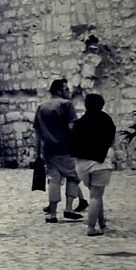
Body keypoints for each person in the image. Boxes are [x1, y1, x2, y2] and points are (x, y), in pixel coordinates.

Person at [33, 78, 82, 221]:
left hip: (48, 150)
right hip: (66, 148)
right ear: (59, 90)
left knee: (54, 180)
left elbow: (37, 132)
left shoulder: (42, 107)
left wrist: (38, 153)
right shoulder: (66, 105)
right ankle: (68, 208)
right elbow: (72, 127)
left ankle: (53, 214)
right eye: (66, 89)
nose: (69, 92)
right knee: (73, 177)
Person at [70, 92, 118, 234]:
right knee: (96, 195)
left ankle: (102, 223)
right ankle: (91, 227)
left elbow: (72, 144)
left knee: (94, 194)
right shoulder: (106, 120)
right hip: (99, 162)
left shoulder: (79, 123)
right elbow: (111, 140)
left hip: (81, 165)